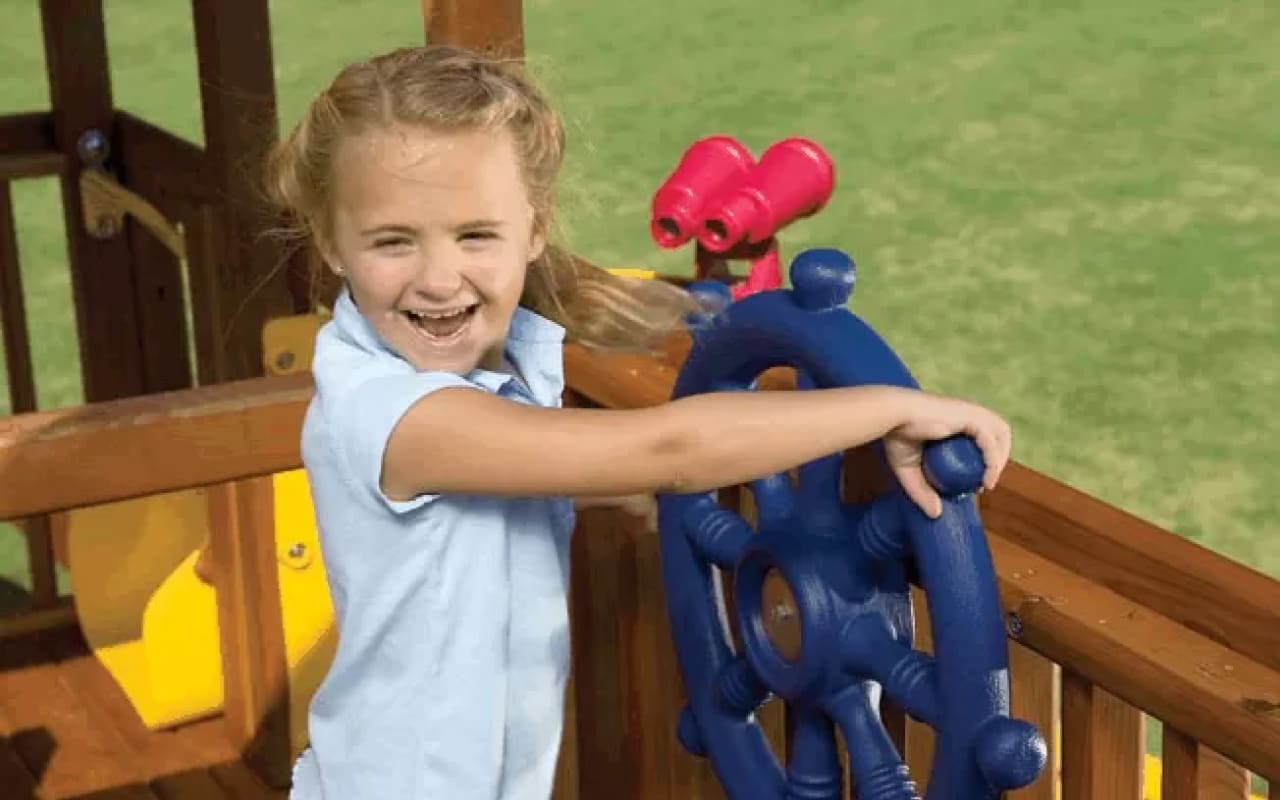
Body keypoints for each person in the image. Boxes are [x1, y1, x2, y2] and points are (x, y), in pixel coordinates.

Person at [265, 43, 1012, 800]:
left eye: (475, 236)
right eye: (393, 241)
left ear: (533, 228)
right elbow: (671, 448)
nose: (437, 278)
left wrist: (609, 490)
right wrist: (889, 407)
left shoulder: (470, 376)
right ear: (331, 243)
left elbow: (493, 496)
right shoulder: (388, 411)